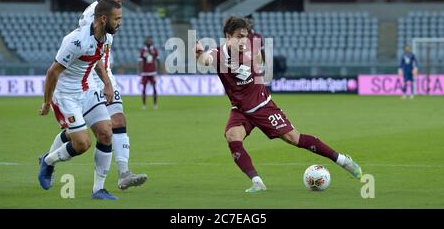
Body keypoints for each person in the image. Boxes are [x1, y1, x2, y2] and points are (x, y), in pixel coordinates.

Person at [195, 16, 362, 193]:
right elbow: (206, 60)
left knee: (294, 139)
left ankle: (343, 161)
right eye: (238, 37)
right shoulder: (218, 53)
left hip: (263, 107)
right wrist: (199, 53)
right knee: (232, 136)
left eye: (245, 36)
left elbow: (255, 61)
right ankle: (257, 182)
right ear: (228, 36)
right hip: (240, 110)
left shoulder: (250, 51)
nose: (243, 41)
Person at [38, 0, 122, 200]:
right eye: (117, 19)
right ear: (103, 19)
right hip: (66, 95)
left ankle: (98, 190)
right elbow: (52, 72)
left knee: (106, 133)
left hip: (88, 90)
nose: (120, 23)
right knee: (83, 144)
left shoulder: (106, 38)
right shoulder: (77, 41)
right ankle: (48, 161)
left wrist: (107, 84)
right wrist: (47, 102)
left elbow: (98, 60)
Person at [77, 0, 148, 190]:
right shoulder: (92, 15)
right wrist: (106, 82)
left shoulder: (110, 13)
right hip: (91, 77)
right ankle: (50, 159)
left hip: (106, 74)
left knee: (118, 120)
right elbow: (90, 53)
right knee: (86, 133)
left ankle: (124, 173)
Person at [139, 36, 159, 109]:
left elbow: (157, 60)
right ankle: (144, 104)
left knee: (154, 88)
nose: (149, 42)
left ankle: (155, 104)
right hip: (145, 72)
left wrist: (157, 71)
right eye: (147, 40)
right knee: (144, 88)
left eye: (150, 40)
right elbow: (140, 61)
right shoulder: (143, 50)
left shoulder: (154, 50)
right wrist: (140, 71)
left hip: (152, 72)